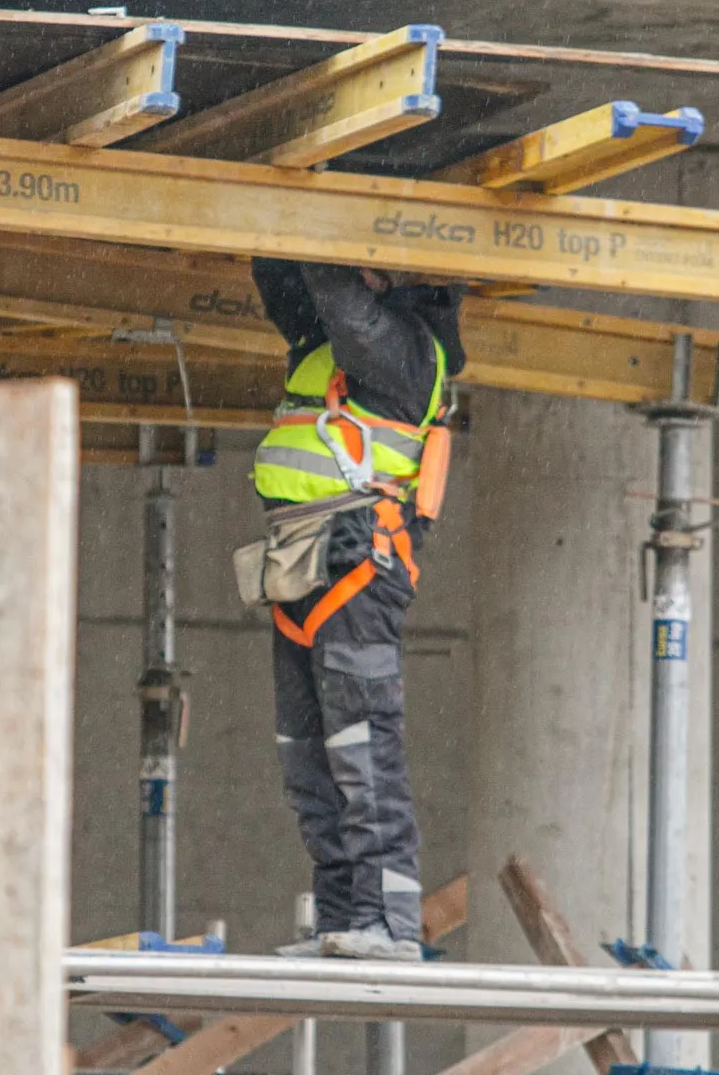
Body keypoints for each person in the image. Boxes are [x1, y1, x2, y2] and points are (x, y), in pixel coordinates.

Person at [249, 258, 466, 962]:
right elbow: (289, 289)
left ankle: (388, 923)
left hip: (358, 567)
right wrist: (277, 229)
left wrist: (327, 239)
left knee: (362, 750)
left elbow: (346, 306)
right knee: (309, 759)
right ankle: (343, 917)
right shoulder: (326, 351)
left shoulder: (409, 352)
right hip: (306, 562)